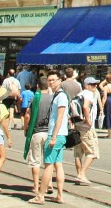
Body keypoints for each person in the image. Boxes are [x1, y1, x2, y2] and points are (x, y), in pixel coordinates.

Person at [32, 70, 70, 205]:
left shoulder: (61, 96)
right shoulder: (56, 95)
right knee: (58, 165)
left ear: (60, 81)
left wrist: (53, 136)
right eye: (49, 80)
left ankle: (40, 196)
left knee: (48, 165)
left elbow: (60, 116)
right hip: (60, 135)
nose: (51, 82)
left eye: (54, 80)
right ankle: (59, 196)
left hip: (56, 135)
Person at [23, 77, 51, 196]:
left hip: (36, 132)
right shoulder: (53, 98)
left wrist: (25, 128)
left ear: (38, 87)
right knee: (48, 161)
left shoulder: (35, 98)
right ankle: (49, 184)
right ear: (48, 87)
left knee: (35, 160)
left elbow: (27, 115)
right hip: (49, 133)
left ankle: (36, 186)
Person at [74, 76, 101, 185]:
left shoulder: (79, 94)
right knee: (93, 152)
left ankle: (80, 175)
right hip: (86, 128)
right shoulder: (88, 94)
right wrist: (88, 121)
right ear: (86, 85)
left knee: (78, 153)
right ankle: (82, 174)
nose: (95, 86)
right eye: (93, 84)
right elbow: (85, 107)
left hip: (77, 126)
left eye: (95, 84)